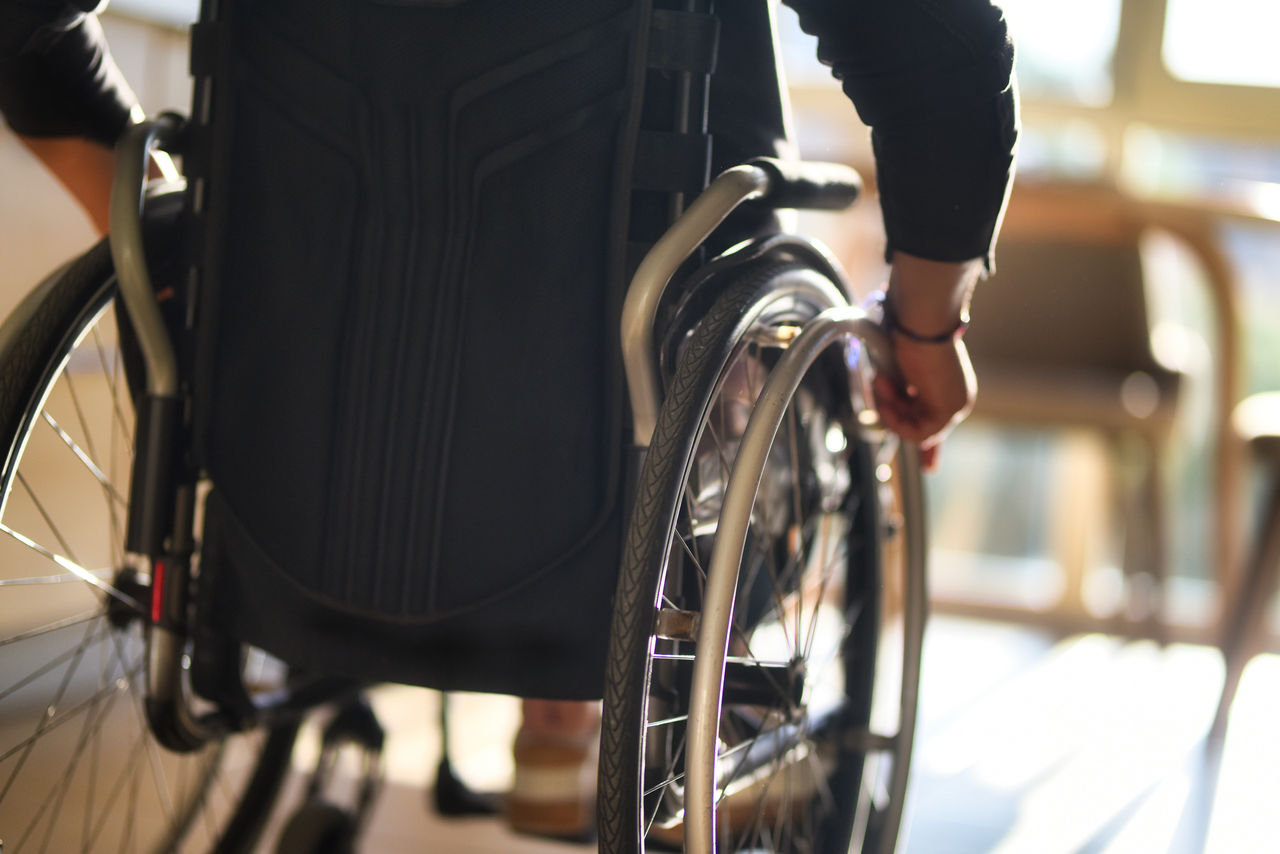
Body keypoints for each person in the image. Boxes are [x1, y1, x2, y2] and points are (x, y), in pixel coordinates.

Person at [0, 0, 1017, 841]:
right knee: (691, 220)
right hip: (604, 476)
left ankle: (558, 710)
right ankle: (582, 704)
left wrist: (154, 232)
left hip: (283, 495)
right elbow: (941, 51)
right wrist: (927, 325)